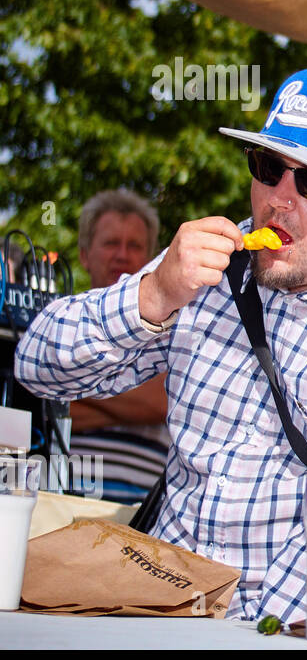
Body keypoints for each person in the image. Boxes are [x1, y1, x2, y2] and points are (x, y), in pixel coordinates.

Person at [18, 68, 307, 623]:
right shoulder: (216, 264)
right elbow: (37, 366)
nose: (280, 201)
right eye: (268, 168)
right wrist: (154, 294)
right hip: (159, 609)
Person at [68, 189, 170, 503]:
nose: (123, 255)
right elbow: (38, 407)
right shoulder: (64, 325)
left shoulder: (172, 329)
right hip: (59, 505)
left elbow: (159, 403)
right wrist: (131, 402)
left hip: (141, 520)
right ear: (85, 255)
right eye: (111, 243)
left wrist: (70, 389)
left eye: (135, 246)